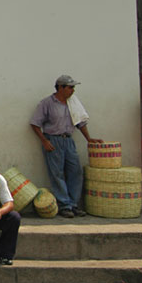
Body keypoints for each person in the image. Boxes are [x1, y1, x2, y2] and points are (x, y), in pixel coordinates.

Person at [29, 75, 102, 218]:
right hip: (53, 140)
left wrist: (89, 138)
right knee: (57, 173)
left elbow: (80, 122)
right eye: (70, 87)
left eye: (73, 87)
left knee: (75, 171)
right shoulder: (47, 103)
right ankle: (64, 205)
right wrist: (44, 141)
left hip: (68, 140)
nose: (72, 90)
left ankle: (74, 204)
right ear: (60, 88)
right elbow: (35, 123)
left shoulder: (73, 103)